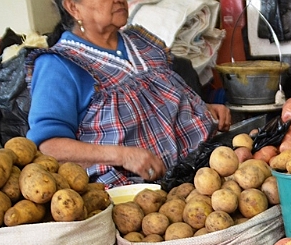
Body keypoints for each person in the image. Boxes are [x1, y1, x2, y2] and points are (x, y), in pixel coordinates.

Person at [25, 0, 231, 187]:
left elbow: (160, 101)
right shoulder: (59, 65)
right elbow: (48, 146)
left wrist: (201, 109)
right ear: (73, 7)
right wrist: (122, 156)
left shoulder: (142, 44)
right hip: (134, 197)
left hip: (201, 175)